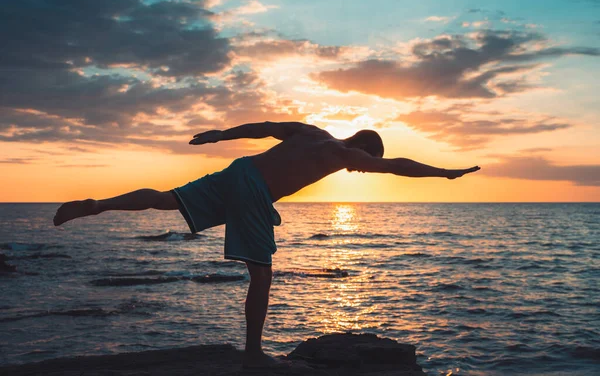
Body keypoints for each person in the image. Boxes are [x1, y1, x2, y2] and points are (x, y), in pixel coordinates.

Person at [53, 121, 480, 368]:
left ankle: (96, 205)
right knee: (261, 272)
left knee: (167, 200)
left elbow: (265, 127)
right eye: (364, 164)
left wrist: (219, 135)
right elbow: (397, 166)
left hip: (240, 169)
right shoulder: (346, 152)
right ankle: (254, 355)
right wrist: (444, 173)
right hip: (255, 189)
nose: (361, 171)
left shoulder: (312, 132)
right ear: (364, 148)